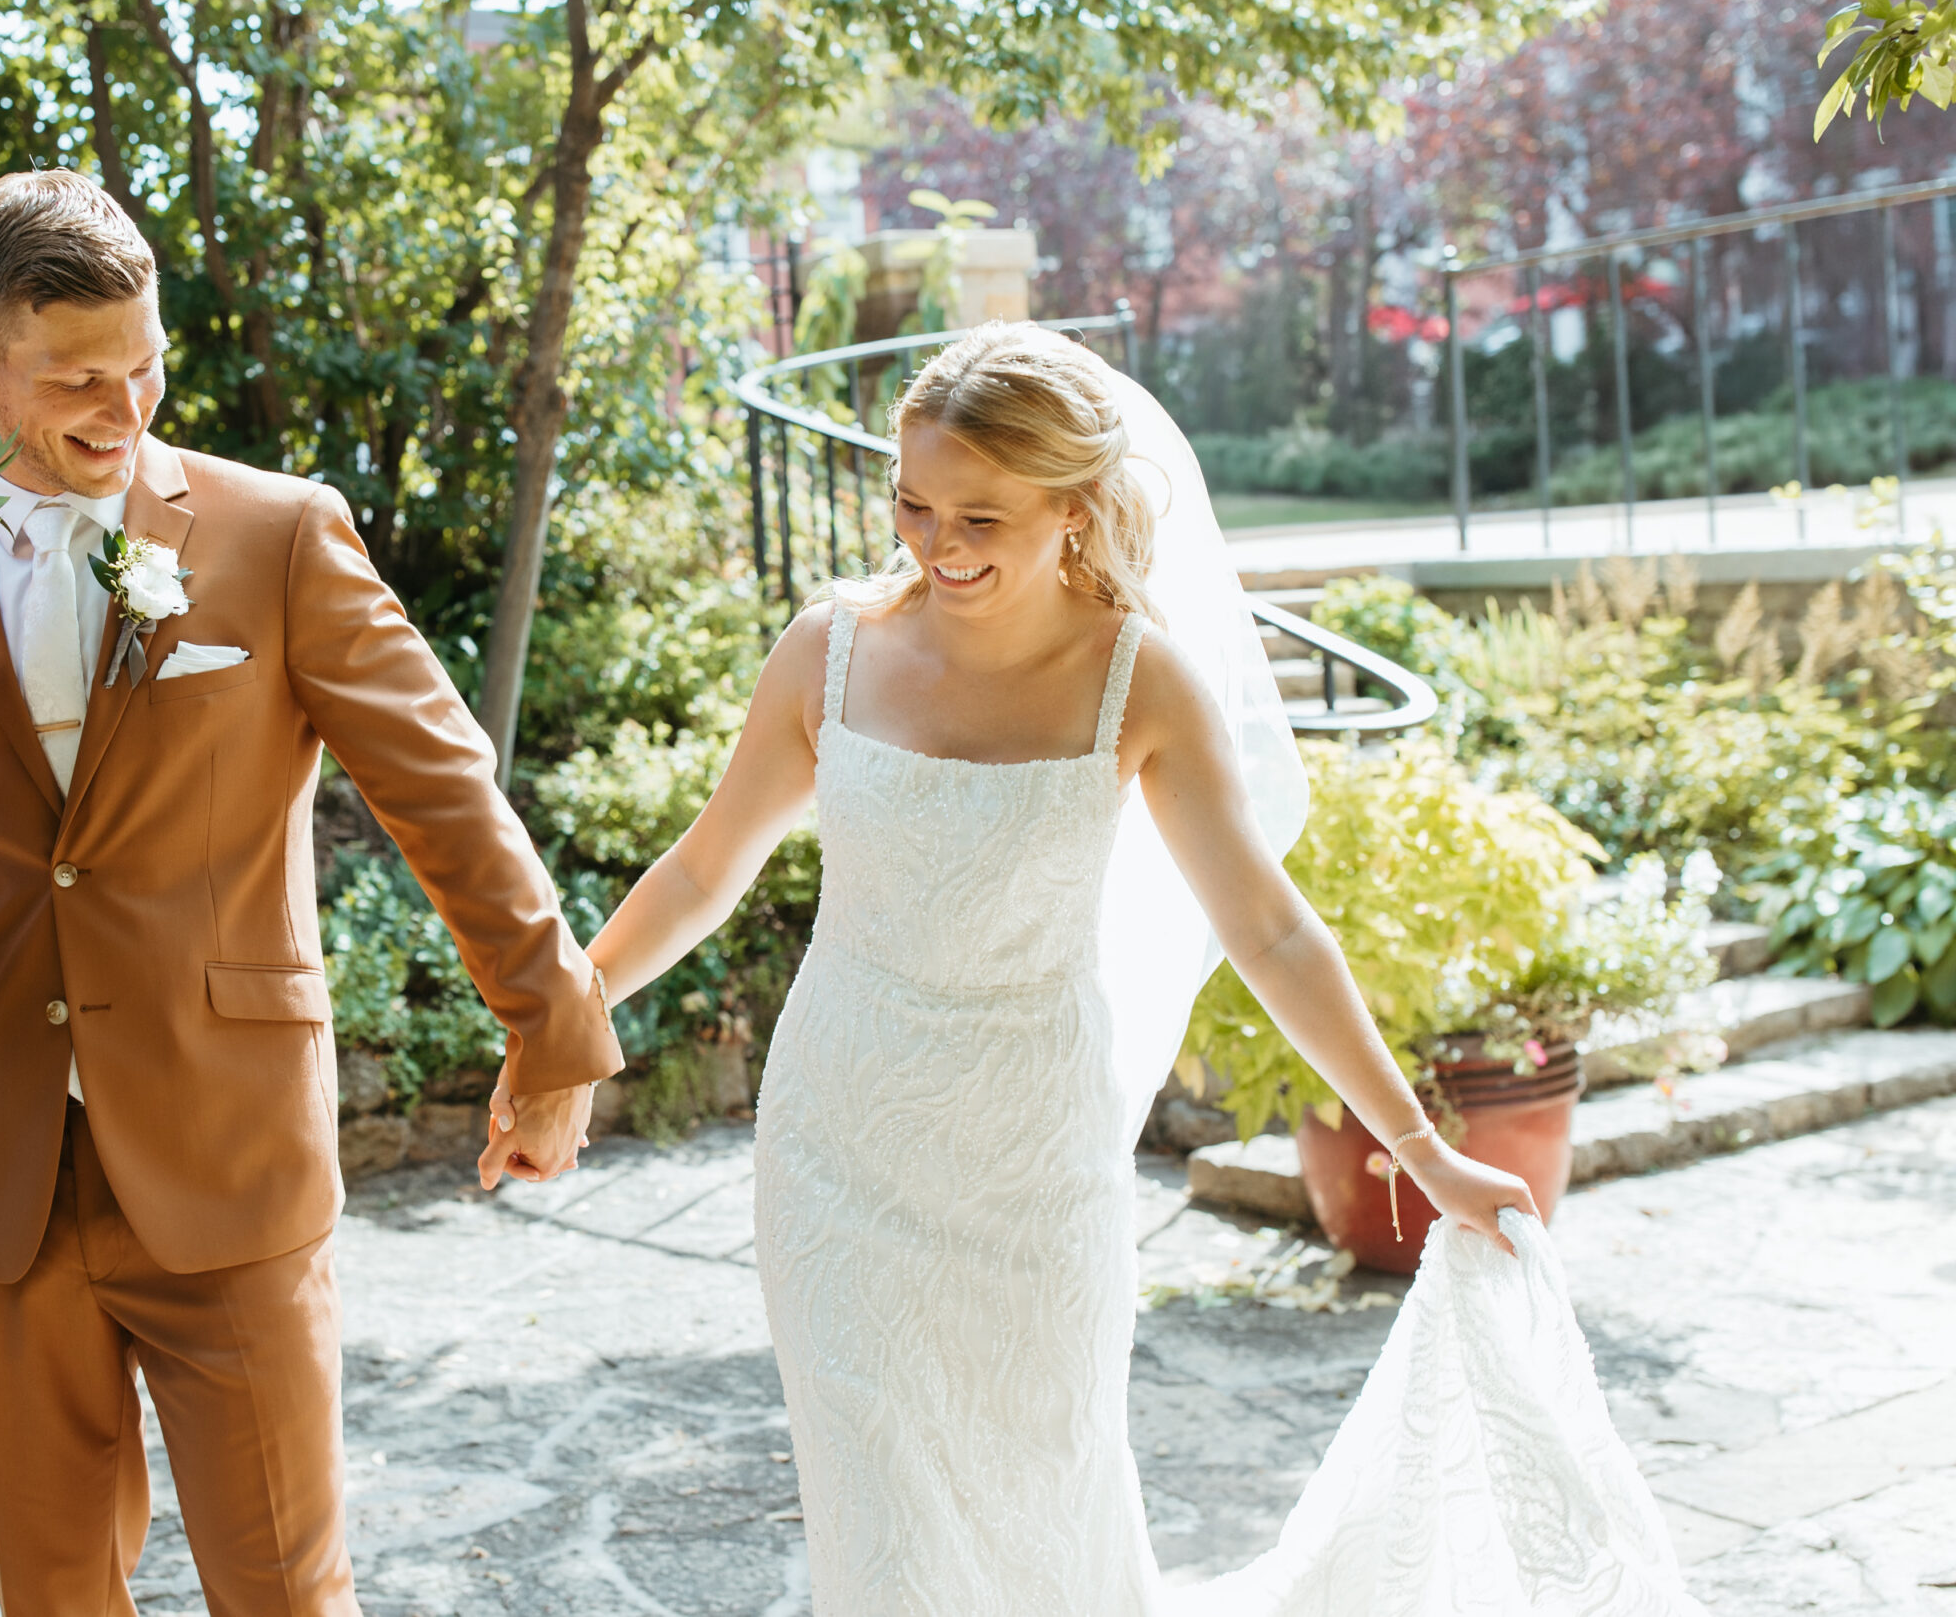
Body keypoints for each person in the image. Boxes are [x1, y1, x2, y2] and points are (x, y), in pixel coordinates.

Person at [581, 321, 1706, 1614]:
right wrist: (568, 1017)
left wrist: (1417, 1145)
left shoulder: (1138, 679)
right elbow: (700, 873)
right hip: (840, 1147)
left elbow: (1271, 929)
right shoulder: (827, 652)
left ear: (1073, 506)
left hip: (1034, 1164)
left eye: (982, 517)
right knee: (880, 1519)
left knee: (1047, 1499)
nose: (939, 544)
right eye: (914, 504)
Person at [0, 170, 615, 1616]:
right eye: (78, 378)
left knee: (286, 1593)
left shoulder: (277, 535)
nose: (126, 405)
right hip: (0, 1180)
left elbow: (442, 788)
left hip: (229, 1151)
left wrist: (553, 1030)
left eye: (146, 364)